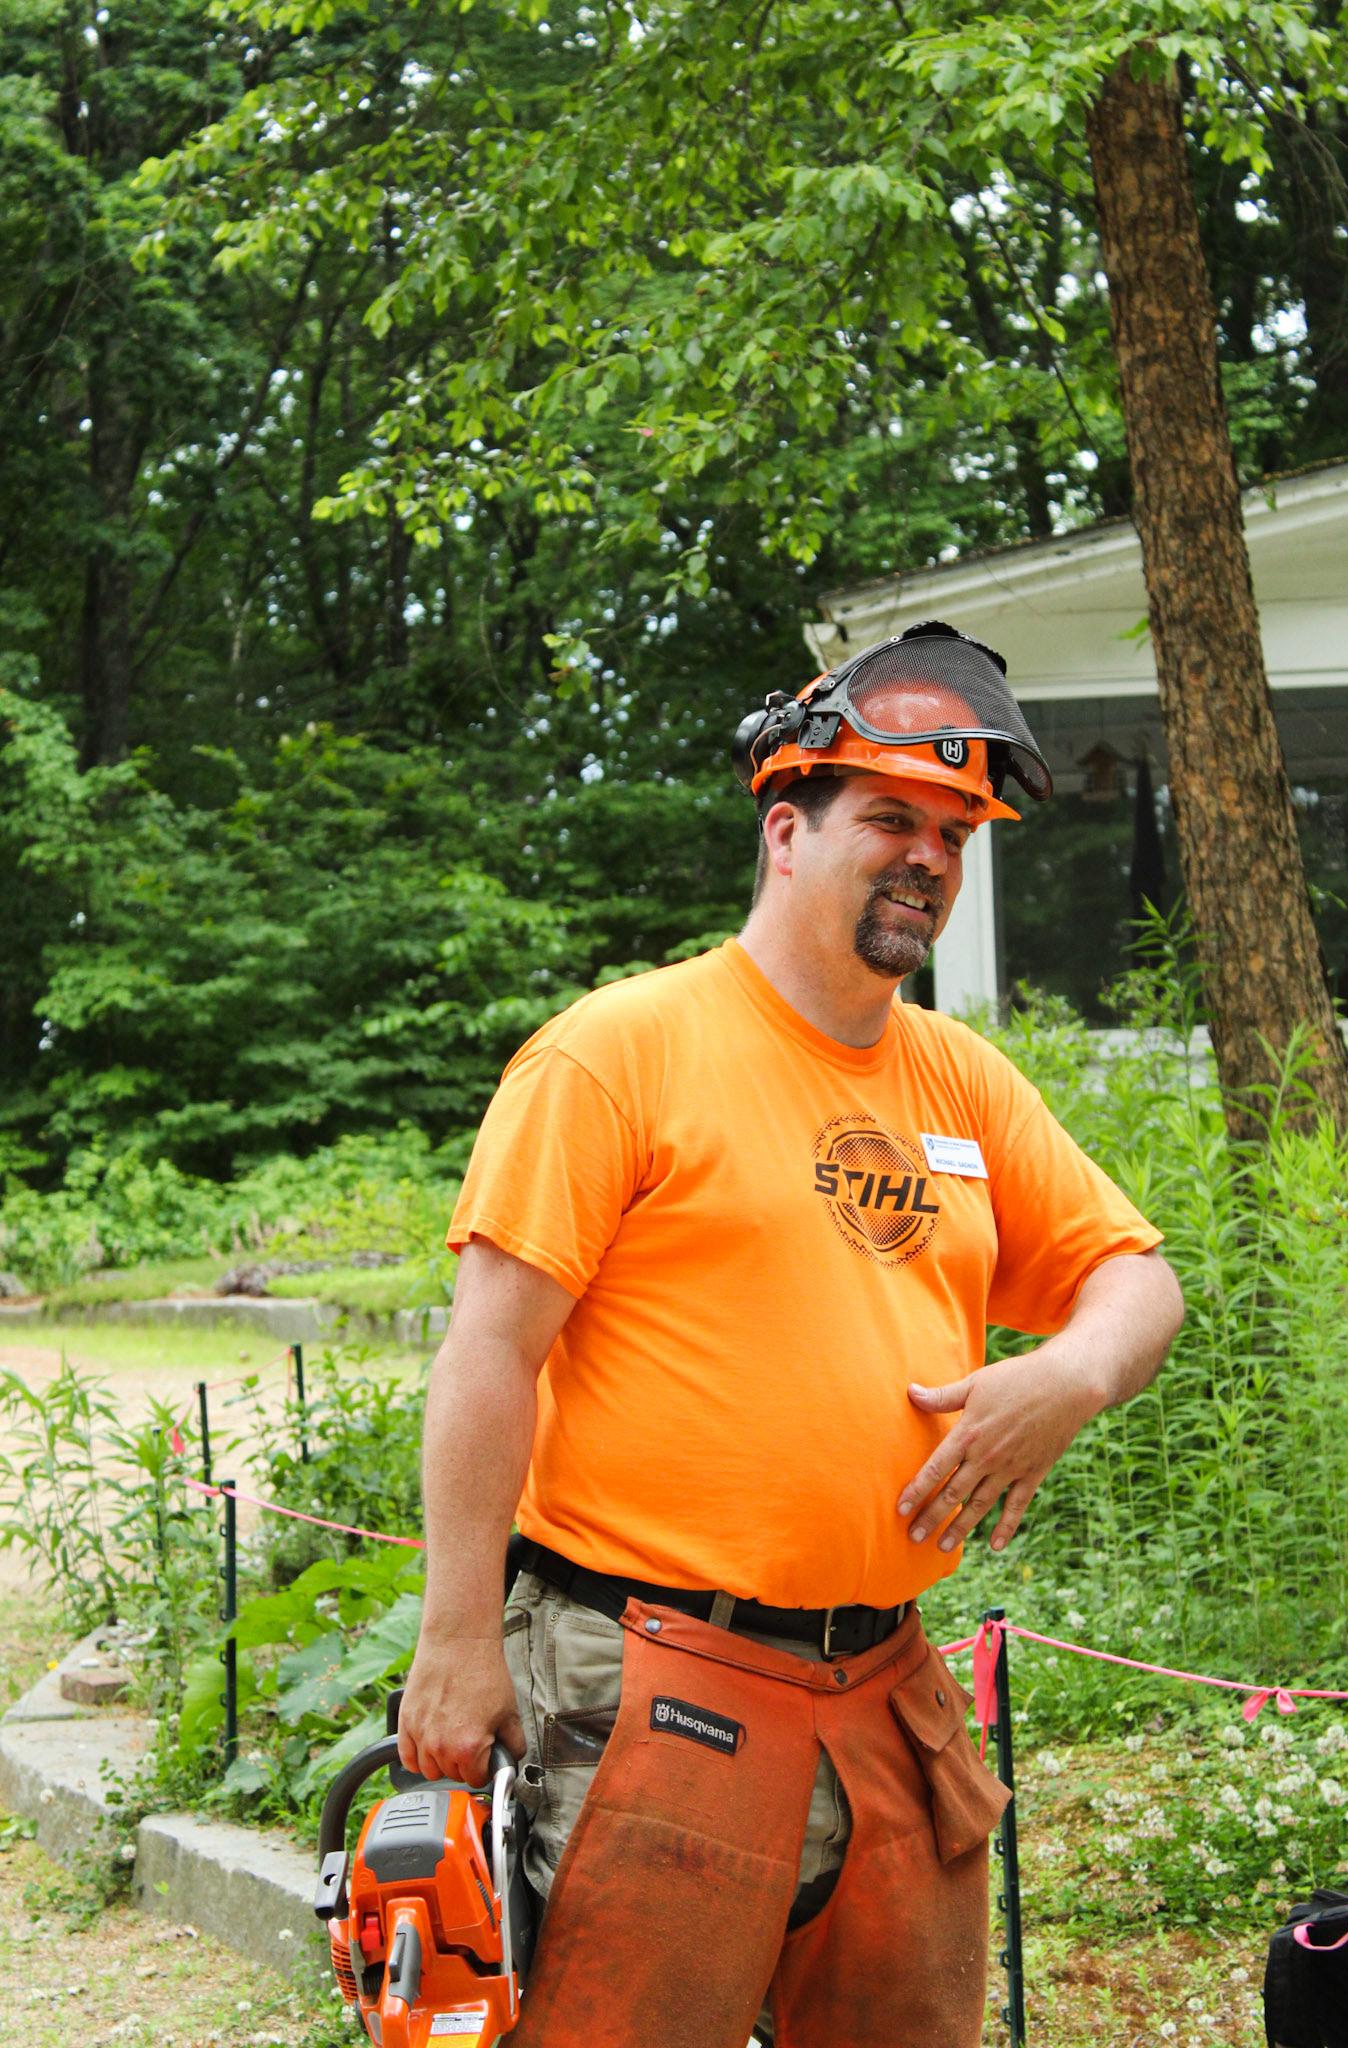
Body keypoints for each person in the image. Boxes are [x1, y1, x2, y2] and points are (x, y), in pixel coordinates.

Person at [398, 622, 1184, 2048]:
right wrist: (455, 1637)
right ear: (783, 831)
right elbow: (488, 1352)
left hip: (884, 1688)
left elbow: (1135, 1275)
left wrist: (1066, 1374)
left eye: (951, 832)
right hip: (646, 1677)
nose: (927, 858)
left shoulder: (960, 1079)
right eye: (888, 817)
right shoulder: (616, 1053)